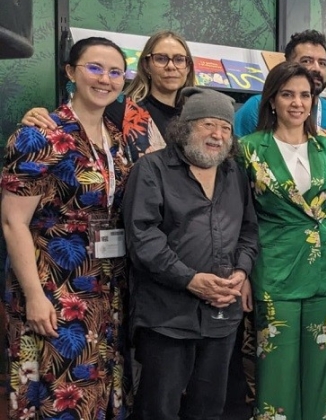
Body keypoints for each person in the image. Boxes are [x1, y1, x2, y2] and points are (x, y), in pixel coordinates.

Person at [2, 36, 131, 420]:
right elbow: (12, 222)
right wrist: (34, 296)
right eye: (94, 67)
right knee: (60, 395)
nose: (104, 79)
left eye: (115, 71)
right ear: (70, 72)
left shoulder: (117, 139)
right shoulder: (39, 134)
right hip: (54, 285)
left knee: (101, 387)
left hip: (107, 286)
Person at [122, 86, 259, 420]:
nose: (217, 134)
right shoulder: (152, 170)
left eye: (225, 128)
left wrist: (241, 272)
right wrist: (191, 280)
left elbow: (249, 230)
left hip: (222, 317)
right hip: (167, 317)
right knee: (159, 409)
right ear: (185, 127)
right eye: (208, 124)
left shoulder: (234, 174)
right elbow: (143, 237)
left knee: (209, 408)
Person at [237, 61, 326, 420]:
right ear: (271, 100)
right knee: (276, 371)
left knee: (321, 372)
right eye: (287, 94)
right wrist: (242, 272)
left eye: (304, 95)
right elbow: (242, 218)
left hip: (325, 270)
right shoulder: (248, 148)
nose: (297, 102)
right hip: (274, 272)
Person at [21, 30, 196, 161]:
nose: (171, 66)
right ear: (147, 65)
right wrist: (38, 116)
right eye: (161, 58)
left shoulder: (198, 115)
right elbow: (75, 120)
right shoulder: (120, 108)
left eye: (179, 59)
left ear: (188, 66)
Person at [235, 29, 326, 141]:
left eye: (322, 63)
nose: (317, 68)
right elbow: (234, 154)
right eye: (306, 61)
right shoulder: (257, 107)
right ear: (287, 65)